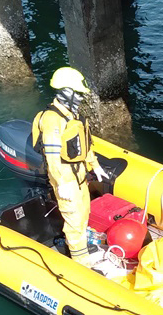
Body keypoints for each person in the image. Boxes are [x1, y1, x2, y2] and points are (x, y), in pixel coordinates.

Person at [31, 66, 109, 266]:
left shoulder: (72, 116)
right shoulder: (52, 120)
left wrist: (95, 165)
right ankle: (81, 262)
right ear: (66, 92)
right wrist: (61, 183)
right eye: (78, 94)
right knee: (74, 219)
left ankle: (81, 246)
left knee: (83, 212)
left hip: (79, 176)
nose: (82, 98)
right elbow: (53, 157)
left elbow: (84, 144)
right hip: (65, 179)